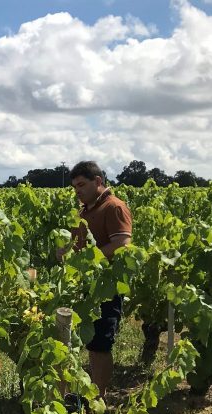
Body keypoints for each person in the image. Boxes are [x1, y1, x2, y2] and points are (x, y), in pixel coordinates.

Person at [66, 161, 132, 397]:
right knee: (92, 344)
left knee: (101, 344)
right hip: (87, 285)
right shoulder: (85, 210)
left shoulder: (114, 207)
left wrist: (88, 259)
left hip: (106, 286)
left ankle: (98, 398)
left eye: (82, 185)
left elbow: (122, 243)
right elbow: (75, 243)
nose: (78, 191)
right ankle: (91, 395)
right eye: (74, 187)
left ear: (98, 181)